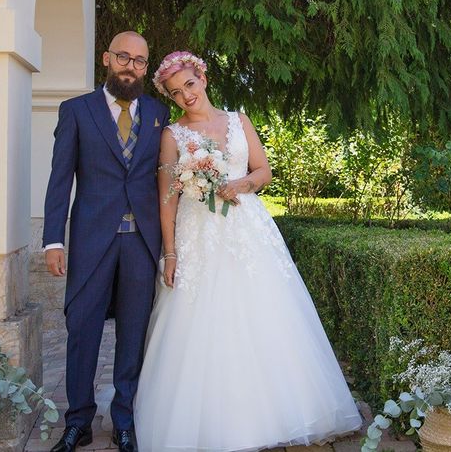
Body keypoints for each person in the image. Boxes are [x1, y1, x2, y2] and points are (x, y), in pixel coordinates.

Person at [133, 51, 362, 451]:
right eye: (175, 92)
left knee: (265, 313)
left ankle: (277, 413)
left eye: (189, 84)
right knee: (201, 320)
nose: (185, 95)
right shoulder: (173, 136)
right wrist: (170, 253)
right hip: (198, 234)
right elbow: (166, 200)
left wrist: (239, 185)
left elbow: (263, 171)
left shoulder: (239, 120)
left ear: (202, 78)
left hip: (247, 230)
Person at [43, 32, 170, 452]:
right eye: (123, 57)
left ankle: (124, 419)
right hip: (91, 238)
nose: (130, 66)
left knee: (133, 333)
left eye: (139, 61)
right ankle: (78, 421)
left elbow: (165, 178)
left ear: (145, 69)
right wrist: (52, 241)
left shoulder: (157, 112)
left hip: (141, 242)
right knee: (83, 329)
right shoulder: (76, 111)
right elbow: (60, 179)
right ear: (106, 59)